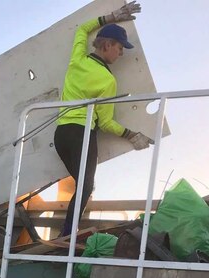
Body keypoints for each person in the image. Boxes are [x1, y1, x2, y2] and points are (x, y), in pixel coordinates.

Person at [55, 1, 152, 236]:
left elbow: (81, 30)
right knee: (86, 186)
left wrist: (111, 17)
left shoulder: (77, 59)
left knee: (85, 186)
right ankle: (67, 234)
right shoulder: (108, 81)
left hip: (61, 135)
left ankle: (69, 231)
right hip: (82, 135)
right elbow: (106, 122)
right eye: (120, 48)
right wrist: (132, 135)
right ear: (107, 44)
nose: (121, 53)